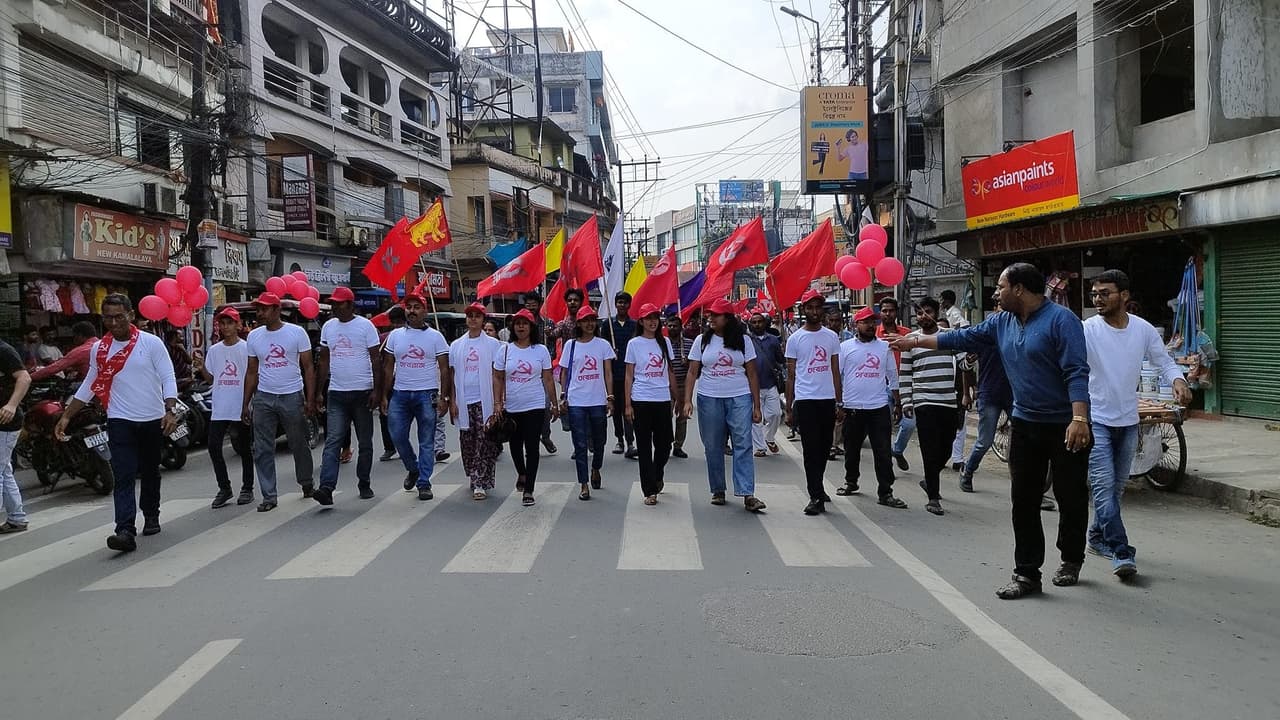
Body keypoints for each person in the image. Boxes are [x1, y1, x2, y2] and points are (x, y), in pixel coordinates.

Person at [891, 263, 1092, 599]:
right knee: (1023, 500)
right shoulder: (1001, 322)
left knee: (1070, 496)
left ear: (1019, 289)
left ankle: (1071, 558)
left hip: (1065, 424)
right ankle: (1026, 573)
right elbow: (961, 337)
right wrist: (915, 341)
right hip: (1024, 422)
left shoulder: (1062, 320)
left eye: (1001, 287)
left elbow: (1076, 371)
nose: (996, 293)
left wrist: (1080, 419)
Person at [1084, 269, 1191, 579]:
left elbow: (1164, 361)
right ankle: (1121, 551)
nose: (1098, 299)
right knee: (1104, 485)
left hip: (1128, 421)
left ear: (1124, 295)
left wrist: (1178, 380)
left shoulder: (1143, 330)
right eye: (1095, 294)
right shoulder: (1086, 329)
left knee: (1116, 488)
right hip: (1096, 419)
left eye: (1105, 293)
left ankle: (1096, 536)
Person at [55, 294, 178, 552]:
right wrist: (67, 415)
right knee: (123, 475)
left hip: (151, 419)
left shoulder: (151, 343)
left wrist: (170, 410)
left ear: (131, 315)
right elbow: (90, 383)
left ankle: (151, 514)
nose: (113, 323)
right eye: (108, 318)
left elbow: (168, 376)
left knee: (150, 471)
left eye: (119, 317)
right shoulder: (99, 349)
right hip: (120, 420)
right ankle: (124, 530)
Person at [684, 298, 766, 512]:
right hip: (709, 398)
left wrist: (757, 406)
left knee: (743, 444)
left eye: (716, 315)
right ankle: (718, 489)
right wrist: (687, 401)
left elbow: (752, 373)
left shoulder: (744, 340)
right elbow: (692, 372)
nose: (710, 318)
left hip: (740, 397)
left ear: (727, 318)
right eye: (710, 314)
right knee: (713, 446)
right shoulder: (702, 340)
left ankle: (747, 493)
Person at [242, 292, 317, 512]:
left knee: (299, 442)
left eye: (264, 309)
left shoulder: (296, 333)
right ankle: (269, 495)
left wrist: (310, 399)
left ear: (276, 310)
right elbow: (252, 371)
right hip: (264, 397)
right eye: (258, 309)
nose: (260, 313)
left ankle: (306, 481)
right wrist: (245, 403)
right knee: (262, 448)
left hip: (291, 395)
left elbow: (308, 367)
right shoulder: (254, 336)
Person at [314, 287, 381, 505]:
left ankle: (364, 482)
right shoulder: (328, 327)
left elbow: (376, 360)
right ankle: (326, 487)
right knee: (333, 440)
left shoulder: (365, 326)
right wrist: (318, 392)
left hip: (362, 392)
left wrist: (377, 391)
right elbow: (324, 361)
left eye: (339, 303)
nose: (335, 307)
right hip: (337, 393)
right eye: (333, 303)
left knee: (365, 442)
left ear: (351, 305)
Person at [382, 293, 450, 501]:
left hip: (426, 394)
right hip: (400, 394)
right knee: (397, 436)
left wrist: (444, 397)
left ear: (425, 311)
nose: (412, 310)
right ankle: (413, 468)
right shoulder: (395, 336)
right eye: (409, 307)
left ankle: (424, 483)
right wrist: (384, 395)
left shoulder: (436, 337)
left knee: (426, 441)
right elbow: (388, 366)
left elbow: (445, 369)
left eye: (416, 307)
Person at [836, 306, 907, 508]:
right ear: (856, 324)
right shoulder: (845, 347)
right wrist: (838, 403)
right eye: (865, 322)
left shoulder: (884, 347)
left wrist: (898, 403)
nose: (870, 325)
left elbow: (893, 376)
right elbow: (837, 376)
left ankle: (886, 491)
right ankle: (851, 481)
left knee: (883, 451)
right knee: (851, 449)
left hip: (878, 407)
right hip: (852, 407)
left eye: (872, 322)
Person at [899, 297, 961, 516]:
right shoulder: (909, 340)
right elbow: (905, 373)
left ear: (936, 313)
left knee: (947, 446)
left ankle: (929, 478)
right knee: (929, 448)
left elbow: (963, 362)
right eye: (919, 313)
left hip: (948, 400)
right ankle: (933, 497)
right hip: (924, 401)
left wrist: (971, 358)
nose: (923, 316)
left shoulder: (948, 336)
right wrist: (906, 400)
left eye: (928, 312)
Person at [785, 291, 843, 515]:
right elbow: (791, 376)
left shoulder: (831, 337)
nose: (814, 311)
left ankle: (818, 485)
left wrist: (840, 402)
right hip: (805, 400)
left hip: (827, 400)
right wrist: (789, 408)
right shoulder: (795, 339)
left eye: (818, 307)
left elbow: (835, 370)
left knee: (824, 446)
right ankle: (815, 495)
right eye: (810, 307)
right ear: (804, 310)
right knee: (810, 449)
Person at [494, 309, 557, 506]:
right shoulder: (505, 350)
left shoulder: (541, 350)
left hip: (535, 404)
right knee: (515, 445)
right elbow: (497, 377)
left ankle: (529, 488)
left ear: (531, 327)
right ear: (512, 327)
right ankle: (521, 472)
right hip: (512, 406)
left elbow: (548, 378)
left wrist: (554, 403)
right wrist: (497, 403)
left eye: (525, 323)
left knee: (532, 446)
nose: (521, 327)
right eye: (517, 323)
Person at [195, 307, 255, 508]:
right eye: (222, 323)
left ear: (238, 325)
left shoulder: (246, 348)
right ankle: (224, 488)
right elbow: (212, 379)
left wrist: (248, 403)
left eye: (230, 323)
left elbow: (252, 376)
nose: (226, 327)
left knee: (244, 448)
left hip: (241, 405)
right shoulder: (214, 350)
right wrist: (202, 368)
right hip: (220, 406)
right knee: (214, 447)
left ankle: (247, 488)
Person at [446, 303, 503, 500]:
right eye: (470, 315)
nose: (473, 319)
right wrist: (452, 401)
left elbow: (498, 375)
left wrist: (498, 402)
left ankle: (480, 481)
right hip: (464, 400)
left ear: (483, 319)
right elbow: (452, 376)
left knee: (484, 441)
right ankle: (474, 474)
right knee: (467, 442)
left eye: (477, 316)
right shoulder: (456, 345)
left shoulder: (493, 345)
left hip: (484, 400)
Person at [559, 305, 614, 501]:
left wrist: (610, 397)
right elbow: (564, 372)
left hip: (598, 401)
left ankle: (596, 467)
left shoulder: (603, 345)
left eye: (592, 320)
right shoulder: (571, 345)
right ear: (579, 324)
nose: (589, 324)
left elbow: (608, 372)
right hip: (576, 401)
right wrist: (563, 395)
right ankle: (583, 483)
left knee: (599, 441)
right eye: (585, 321)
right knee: (580, 444)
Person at [624, 303, 678, 506]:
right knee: (644, 446)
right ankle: (649, 490)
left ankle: (657, 472)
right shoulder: (634, 344)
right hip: (641, 399)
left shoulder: (665, 342)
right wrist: (627, 404)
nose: (652, 322)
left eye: (655, 318)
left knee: (665, 444)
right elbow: (629, 375)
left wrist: (678, 398)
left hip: (662, 399)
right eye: (648, 318)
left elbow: (670, 371)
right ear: (641, 321)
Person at [0, 338, 33, 533]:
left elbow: (24, 377)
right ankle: (16, 518)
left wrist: (11, 405)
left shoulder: (4, 350)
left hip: (5, 421)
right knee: (4, 469)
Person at [878, 298, 914, 471]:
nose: (888, 314)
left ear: (896, 312)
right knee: (884, 427)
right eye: (884, 310)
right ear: (880, 313)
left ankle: (897, 450)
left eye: (891, 310)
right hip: (882, 387)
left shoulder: (908, 334)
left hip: (906, 385)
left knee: (909, 424)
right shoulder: (874, 334)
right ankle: (886, 466)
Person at [522, 290, 558, 455]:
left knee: (544, 406)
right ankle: (530, 440)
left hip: (543, 372)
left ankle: (545, 435)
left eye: (534, 304)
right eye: (528, 304)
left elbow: (553, 348)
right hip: (524, 373)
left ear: (539, 305)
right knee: (526, 408)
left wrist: (549, 337)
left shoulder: (548, 323)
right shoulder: (520, 323)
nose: (531, 307)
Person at [748, 312, 784, 457]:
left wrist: (784, 351)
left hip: (770, 384)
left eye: (760, 322)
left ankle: (769, 438)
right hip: (752, 386)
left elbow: (780, 359)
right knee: (756, 418)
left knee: (776, 413)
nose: (757, 325)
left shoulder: (773, 340)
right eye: (754, 322)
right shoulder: (747, 341)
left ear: (765, 323)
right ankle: (760, 447)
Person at [607, 291, 637, 458]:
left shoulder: (635, 325)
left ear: (629, 305)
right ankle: (619, 440)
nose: (622, 305)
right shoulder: (608, 325)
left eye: (625, 302)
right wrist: (610, 351)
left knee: (629, 408)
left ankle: (630, 442)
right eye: (619, 302)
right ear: (615, 304)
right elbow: (603, 346)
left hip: (631, 374)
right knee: (616, 410)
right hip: (614, 374)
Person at [378, 306, 405, 462]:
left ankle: (402, 446)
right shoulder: (383, 338)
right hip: (387, 382)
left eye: (400, 322)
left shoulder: (409, 338)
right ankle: (389, 447)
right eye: (394, 322)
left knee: (402, 417)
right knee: (384, 414)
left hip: (403, 383)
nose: (396, 326)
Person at [30, 321, 98, 382]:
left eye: (74, 336)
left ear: (80, 335)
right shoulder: (102, 345)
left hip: (91, 385)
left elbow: (56, 366)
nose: (74, 339)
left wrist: (30, 377)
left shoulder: (81, 351)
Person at [665, 314, 693, 459]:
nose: (672, 328)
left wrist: (688, 362)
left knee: (682, 417)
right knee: (665, 417)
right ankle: (666, 444)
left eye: (675, 326)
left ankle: (678, 446)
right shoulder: (662, 343)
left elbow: (695, 367)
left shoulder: (688, 344)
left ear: (680, 327)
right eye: (669, 326)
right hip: (666, 386)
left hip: (683, 385)